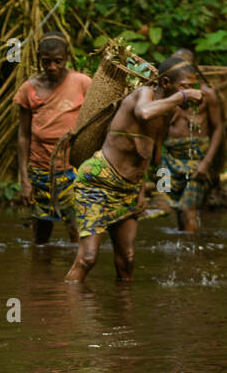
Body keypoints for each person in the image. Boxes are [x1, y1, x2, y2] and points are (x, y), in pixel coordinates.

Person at [64, 56, 201, 283]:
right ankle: (65, 311)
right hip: (99, 182)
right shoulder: (144, 95)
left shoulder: (168, 112)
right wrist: (183, 96)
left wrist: (141, 191)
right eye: (186, 86)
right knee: (88, 258)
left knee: (127, 259)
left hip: (128, 190)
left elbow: (151, 157)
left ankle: (123, 315)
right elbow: (144, 113)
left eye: (192, 87)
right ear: (165, 83)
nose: (191, 91)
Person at [14, 32, 92, 243]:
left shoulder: (82, 82)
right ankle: (40, 274)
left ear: (66, 57)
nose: (52, 67)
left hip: (72, 169)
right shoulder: (29, 89)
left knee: (77, 230)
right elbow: (23, 135)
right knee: (41, 235)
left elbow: (99, 119)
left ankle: (75, 274)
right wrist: (24, 180)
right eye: (46, 62)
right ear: (39, 58)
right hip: (40, 170)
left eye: (58, 61)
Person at [159, 49, 223, 232]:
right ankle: (184, 251)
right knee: (172, 208)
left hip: (197, 157)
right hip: (169, 158)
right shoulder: (167, 96)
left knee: (189, 210)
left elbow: (218, 128)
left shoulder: (207, 94)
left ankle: (192, 256)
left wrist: (206, 163)